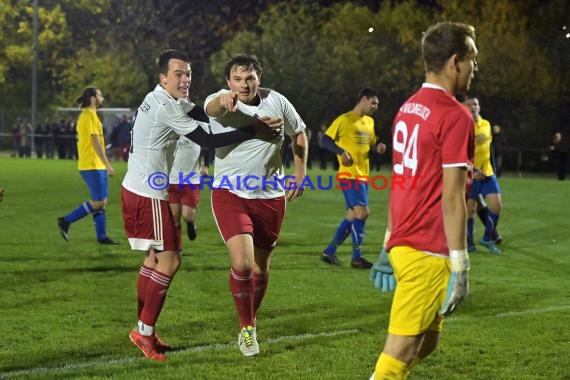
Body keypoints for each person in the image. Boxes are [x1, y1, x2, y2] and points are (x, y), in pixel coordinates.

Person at [121, 49, 281, 362]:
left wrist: (226, 102)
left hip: (140, 189)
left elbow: (203, 112)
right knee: (170, 261)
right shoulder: (166, 106)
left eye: (188, 74)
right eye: (178, 74)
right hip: (147, 193)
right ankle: (144, 333)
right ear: (163, 78)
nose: (185, 79)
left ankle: (143, 328)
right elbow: (207, 140)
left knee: (154, 260)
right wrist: (253, 129)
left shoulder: (163, 98)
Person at [371, 21, 477, 379]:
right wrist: (461, 265)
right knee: (398, 352)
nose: (474, 69)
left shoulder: (409, 107)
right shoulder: (456, 115)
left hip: (405, 243)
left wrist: (388, 240)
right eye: (472, 60)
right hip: (428, 250)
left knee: (428, 341)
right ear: (454, 61)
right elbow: (453, 198)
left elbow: (401, 181)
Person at [204, 53, 308, 357]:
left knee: (261, 268)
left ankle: (249, 322)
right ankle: (247, 328)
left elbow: (298, 132)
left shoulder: (277, 101)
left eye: (249, 78)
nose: (244, 84)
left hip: (271, 197)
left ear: (258, 78)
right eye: (237, 79)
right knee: (243, 264)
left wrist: (300, 172)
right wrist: (224, 101)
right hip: (230, 195)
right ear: (229, 82)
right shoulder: (221, 100)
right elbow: (211, 106)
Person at [320, 88, 386, 269]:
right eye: (373, 103)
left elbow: (370, 146)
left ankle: (330, 251)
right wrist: (341, 152)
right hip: (349, 175)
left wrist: (377, 148)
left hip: (363, 175)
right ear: (363, 99)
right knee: (363, 213)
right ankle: (357, 256)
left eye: (377, 104)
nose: (375, 107)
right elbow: (325, 140)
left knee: (353, 215)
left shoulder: (370, 122)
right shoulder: (344, 119)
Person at [57, 86, 119, 245]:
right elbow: (95, 141)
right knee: (98, 202)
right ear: (93, 98)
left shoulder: (90, 115)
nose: (102, 98)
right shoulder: (88, 115)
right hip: (91, 164)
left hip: (94, 163)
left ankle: (102, 236)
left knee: (101, 201)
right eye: (100, 95)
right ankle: (66, 220)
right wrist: (107, 164)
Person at [168, 105, 211, 247]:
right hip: (171, 178)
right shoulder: (169, 126)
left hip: (191, 179)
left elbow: (209, 147)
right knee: (174, 217)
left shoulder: (200, 126)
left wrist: (205, 165)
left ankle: (191, 224)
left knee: (187, 216)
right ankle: (176, 247)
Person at [464, 97, 502, 254]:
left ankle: (487, 238)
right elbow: (459, 154)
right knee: (469, 209)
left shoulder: (486, 124)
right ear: (465, 108)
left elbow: (488, 148)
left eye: (476, 104)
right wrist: (472, 171)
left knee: (496, 205)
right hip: (471, 175)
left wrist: (491, 168)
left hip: (487, 173)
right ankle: (469, 243)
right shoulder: (463, 127)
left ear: (479, 107)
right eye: (470, 105)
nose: (473, 107)